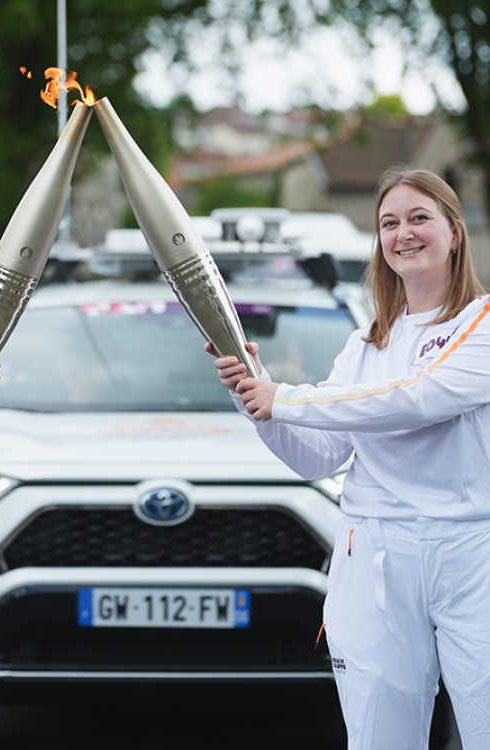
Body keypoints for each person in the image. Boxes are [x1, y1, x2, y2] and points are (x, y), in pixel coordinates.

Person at [208, 166, 490, 749]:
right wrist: (253, 394)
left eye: (419, 218)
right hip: (374, 552)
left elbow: (416, 399)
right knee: (378, 736)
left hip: (472, 553)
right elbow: (319, 456)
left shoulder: (482, 324)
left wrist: (284, 398)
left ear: (454, 233)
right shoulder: (366, 344)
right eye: (389, 223)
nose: (403, 234)